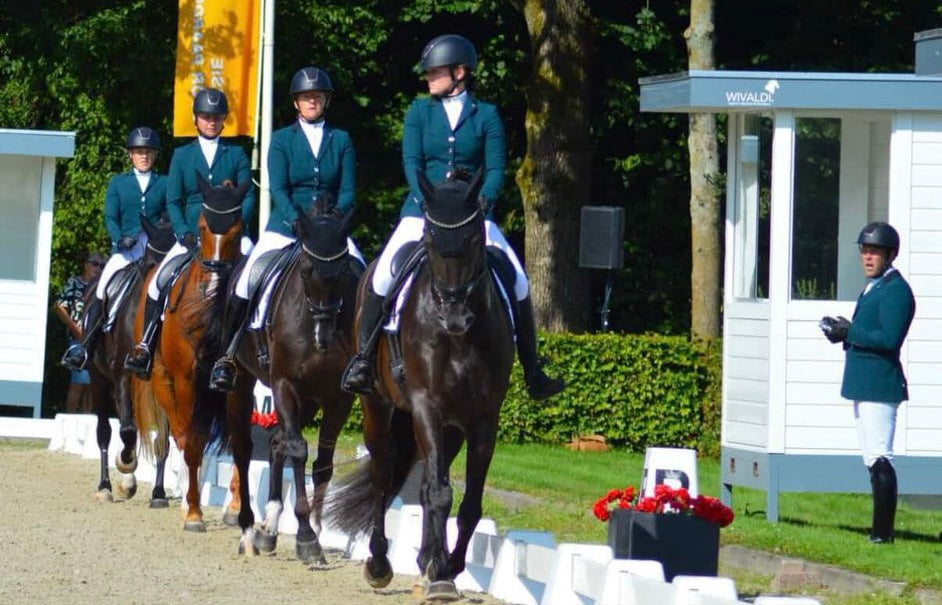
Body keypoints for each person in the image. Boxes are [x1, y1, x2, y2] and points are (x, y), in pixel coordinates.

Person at [340, 34, 564, 400]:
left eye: (435, 72)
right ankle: (363, 360)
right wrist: (428, 201)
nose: (428, 78)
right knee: (382, 276)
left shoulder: (486, 115)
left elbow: (494, 169)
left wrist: (483, 202)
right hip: (422, 213)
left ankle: (532, 370)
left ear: (459, 73)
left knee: (519, 280)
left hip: (472, 217)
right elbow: (412, 164)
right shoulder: (418, 113)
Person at [208, 66, 365, 392]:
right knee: (246, 281)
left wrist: (333, 217)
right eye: (307, 97)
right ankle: (228, 354)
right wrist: (296, 217)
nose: (312, 101)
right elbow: (277, 188)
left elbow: (349, 189)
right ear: (296, 102)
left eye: (317, 97)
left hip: (328, 230)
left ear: (325, 101)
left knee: (362, 276)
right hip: (286, 226)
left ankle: (363, 357)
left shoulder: (342, 140)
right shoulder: (281, 140)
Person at [125, 88, 256, 378]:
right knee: (158, 281)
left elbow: (247, 197)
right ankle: (145, 343)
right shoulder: (183, 155)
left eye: (217, 117)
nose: (211, 121)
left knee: (254, 278)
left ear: (224, 121)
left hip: (230, 233)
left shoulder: (235, 154)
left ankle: (251, 345)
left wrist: (237, 228)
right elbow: (173, 200)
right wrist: (183, 231)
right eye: (206, 117)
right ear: (196, 119)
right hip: (192, 234)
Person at [819, 221, 915, 544]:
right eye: (865, 250)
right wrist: (841, 333)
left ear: (889, 255)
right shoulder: (874, 287)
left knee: (880, 457)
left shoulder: (897, 291)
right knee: (870, 459)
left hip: (879, 383)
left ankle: (882, 534)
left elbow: (888, 338)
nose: (868, 257)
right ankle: (879, 531)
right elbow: (867, 333)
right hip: (864, 381)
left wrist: (851, 331)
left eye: (874, 251)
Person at [61, 126, 167, 371]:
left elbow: (169, 213)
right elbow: (111, 217)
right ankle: (84, 346)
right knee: (102, 286)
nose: (144, 156)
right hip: (127, 248)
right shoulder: (118, 183)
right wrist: (119, 238)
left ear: (155, 155)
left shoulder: (165, 183)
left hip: (155, 249)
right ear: (131, 155)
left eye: (149, 152)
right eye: (139, 151)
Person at [54, 252, 105, 412]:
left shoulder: (100, 287)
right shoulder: (75, 283)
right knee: (78, 381)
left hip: (96, 340)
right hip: (78, 339)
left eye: (101, 265)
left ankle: (86, 420)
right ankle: (70, 419)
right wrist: (75, 328)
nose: (98, 268)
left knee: (91, 384)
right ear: (86, 264)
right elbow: (59, 306)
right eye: (95, 263)